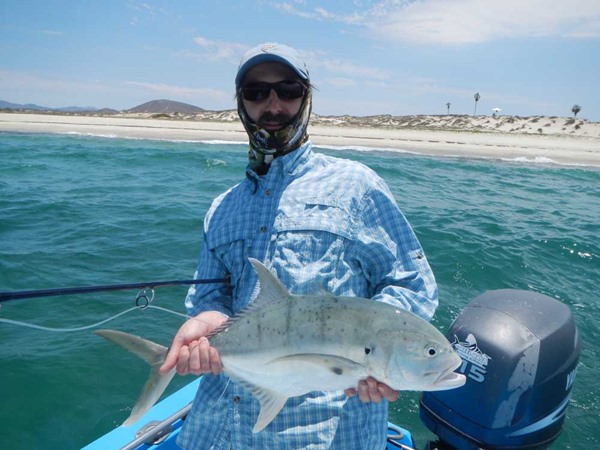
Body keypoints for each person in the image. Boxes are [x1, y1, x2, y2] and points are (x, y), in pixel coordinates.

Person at [160, 42, 438, 449]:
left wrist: (383, 356)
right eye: (257, 92)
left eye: (287, 90)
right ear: (242, 103)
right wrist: (206, 322)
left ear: (306, 98)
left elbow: (412, 283)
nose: (273, 104)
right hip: (216, 426)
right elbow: (211, 295)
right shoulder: (221, 208)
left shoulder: (356, 186)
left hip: (324, 430)